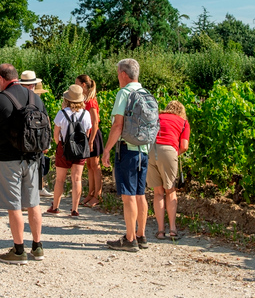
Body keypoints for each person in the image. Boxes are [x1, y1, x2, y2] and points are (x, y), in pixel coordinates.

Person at [0, 63, 47, 264]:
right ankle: (37, 247)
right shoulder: (35, 98)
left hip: (8, 159)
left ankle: (19, 251)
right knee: (33, 203)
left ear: (1, 78)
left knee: (14, 206)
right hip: (33, 159)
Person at [101, 58, 148, 252]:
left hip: (127, 150)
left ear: (123, 74)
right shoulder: (146, 93)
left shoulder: (124, 93)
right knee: (140, 194)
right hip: (143, 150)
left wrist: (107, 149)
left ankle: (129, 239)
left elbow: (118, 125)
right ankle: (141, 235)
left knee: (128, 196)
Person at [46, 84, 92, 217]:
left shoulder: (62, 114)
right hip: (80, 148)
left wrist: (60, 144)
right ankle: (74, 209)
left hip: (64, 147)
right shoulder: (86, 114)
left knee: (60, 179)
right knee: (77, 179)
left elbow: (56, 134)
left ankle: (55, 206)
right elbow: (87, 133)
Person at [148, 100, 190, 241]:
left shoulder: (158, 117)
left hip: (151, 151)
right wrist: (173, 154)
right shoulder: (183, 122)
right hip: (168, 150)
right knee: (170, 191)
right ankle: (172, 229)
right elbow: (184, 146)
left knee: (158, 193)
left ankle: (160, 231)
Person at [19, 71, 52, 198]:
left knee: (32, 167)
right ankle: (29, 197)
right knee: (31, 167)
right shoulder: (37, 101)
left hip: (28, 139)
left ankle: (28, 196)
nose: (31, 87)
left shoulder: (19, 99)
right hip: (33, 139)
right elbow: (46, 121)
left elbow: (46, 121)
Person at [76, 75, 102, 207]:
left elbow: (95, 123)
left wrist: (91, 141)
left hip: (93, 135)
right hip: (88, 135)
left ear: (83, 85)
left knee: (96, 165)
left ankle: (97, 195)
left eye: (77, 83)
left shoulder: (91, 102)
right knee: (90, 165)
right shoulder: (85, 101)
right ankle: (91, 193)